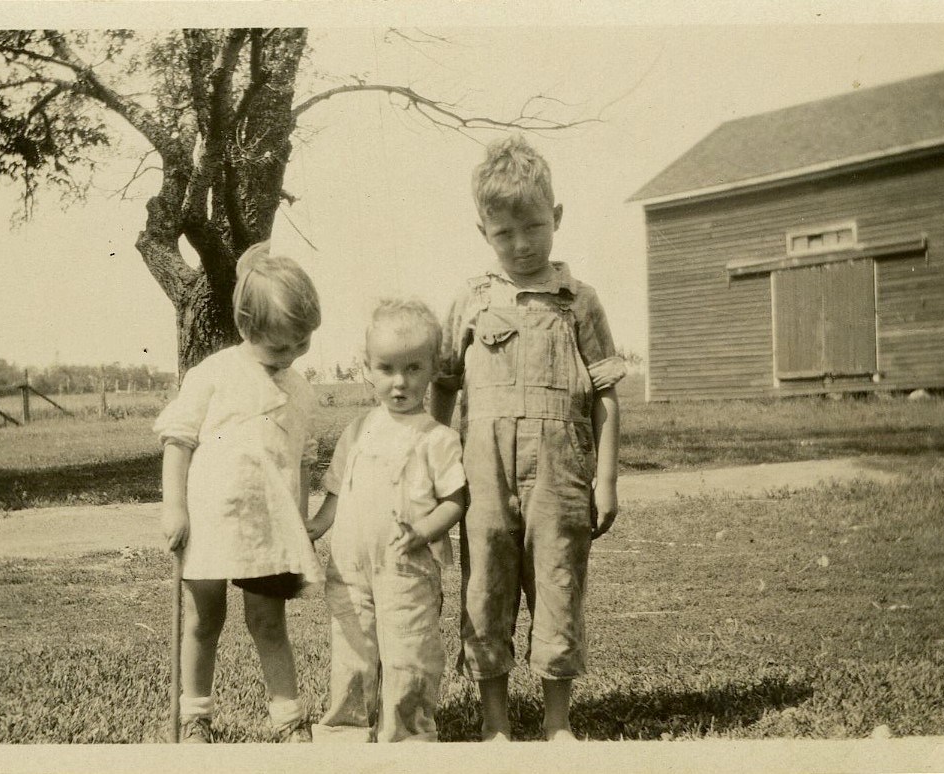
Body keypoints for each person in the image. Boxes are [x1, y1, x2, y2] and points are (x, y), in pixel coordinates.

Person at [430, 135, 626, 742]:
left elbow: (607, 397)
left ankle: (556, 722)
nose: (520, 245)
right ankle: (494, 724)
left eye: (533, 228)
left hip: (563, 475)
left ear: (557, 217)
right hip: (482, 476)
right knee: (484, 591)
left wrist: (608, 479)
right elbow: (442, 386)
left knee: (558, 588)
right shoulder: (471, 299)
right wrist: (434, 470)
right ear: (483, 231)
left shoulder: (580, 302)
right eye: (503, 234)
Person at [155, 242, 323, 744]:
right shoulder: (214, 374)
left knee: (268, 623)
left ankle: (290, 718)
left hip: (268, 528)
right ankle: (195, 717)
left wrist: (302, 520)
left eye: (302, 344)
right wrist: (174, 507)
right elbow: (178, 442)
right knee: (204, 621)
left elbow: (303, 461)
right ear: (247, 328)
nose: (291, 356)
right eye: (280, 347)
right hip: (210, 521)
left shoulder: (301, 390)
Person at [306, 298, 466, 743]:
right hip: (350, 567)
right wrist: (317, 526)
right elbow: (338, 489)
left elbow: (456, 501)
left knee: (409, 653)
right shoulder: (357, 429)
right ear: (368, 368)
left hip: (407, 566)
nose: (400, 382)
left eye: (414, 368)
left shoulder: (439, 438)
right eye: (387, 368)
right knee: (352, 650)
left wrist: (426, 531)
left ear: (433, 367)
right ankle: (344, 732)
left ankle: (408, 736)